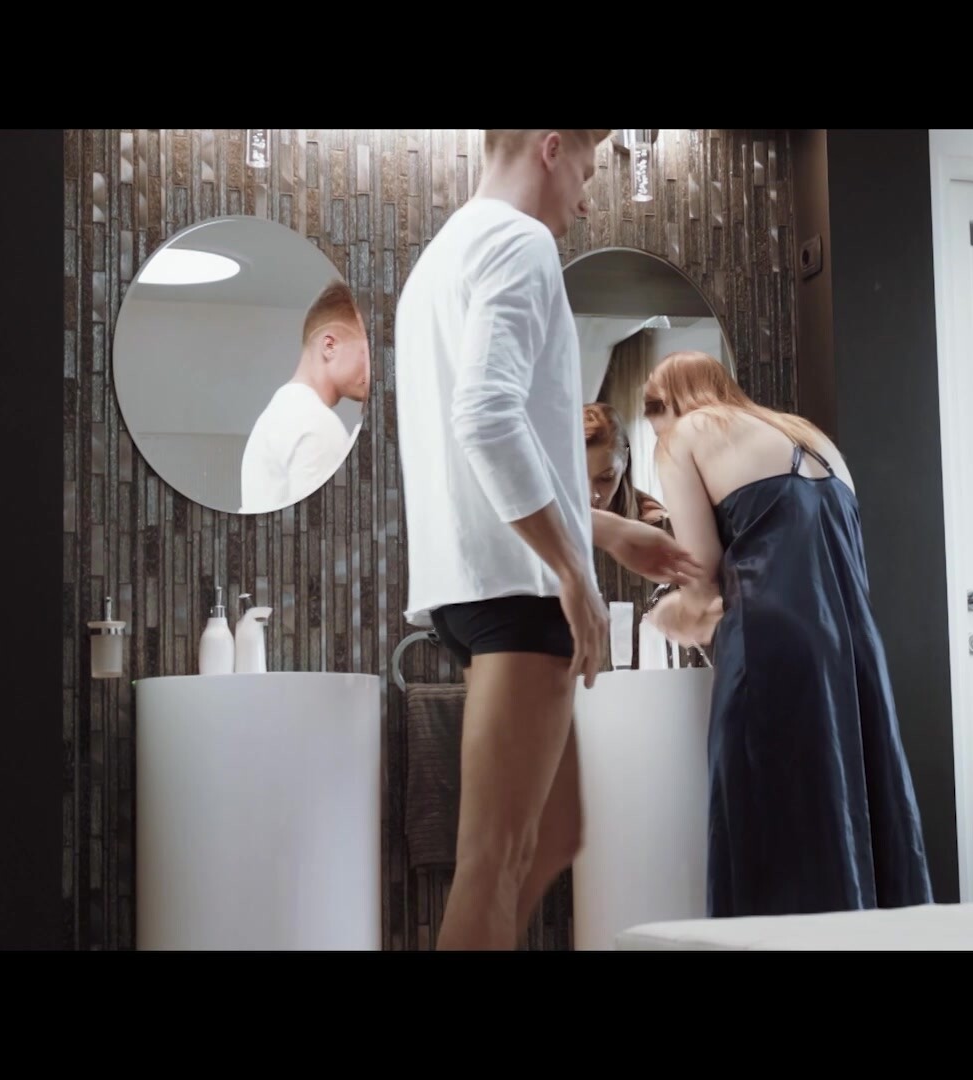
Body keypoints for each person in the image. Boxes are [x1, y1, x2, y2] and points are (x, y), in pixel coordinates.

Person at [395, 128, 701, 951]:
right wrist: (571, 571)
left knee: (553, 837)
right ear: (551, 147)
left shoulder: (439, 261)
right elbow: (486, 421)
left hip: (471, 586)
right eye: (591, 172)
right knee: (494, 863)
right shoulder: (520, 242)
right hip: (521, 594)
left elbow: (479, 462)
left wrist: (606, 532)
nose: (588, 199)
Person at [643, 350, 934, 918]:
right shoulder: (809, 436)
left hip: (767, 642)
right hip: (853, 646)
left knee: (768, 823)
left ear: (666, 403)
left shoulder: (683, 436)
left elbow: (700, 573)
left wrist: (677, 614)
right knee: (853, 808)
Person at [238, 281, 368, 513]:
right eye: (365, 353)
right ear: (329, 346)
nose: (372, 367)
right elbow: (327, 525)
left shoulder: (277, 414)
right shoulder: (317, 425)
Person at [584, 402, 666, 525]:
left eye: (606, 478)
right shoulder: (553, 516)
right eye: (578, 480)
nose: (591, 495)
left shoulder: (654, 522)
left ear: (625, 460)